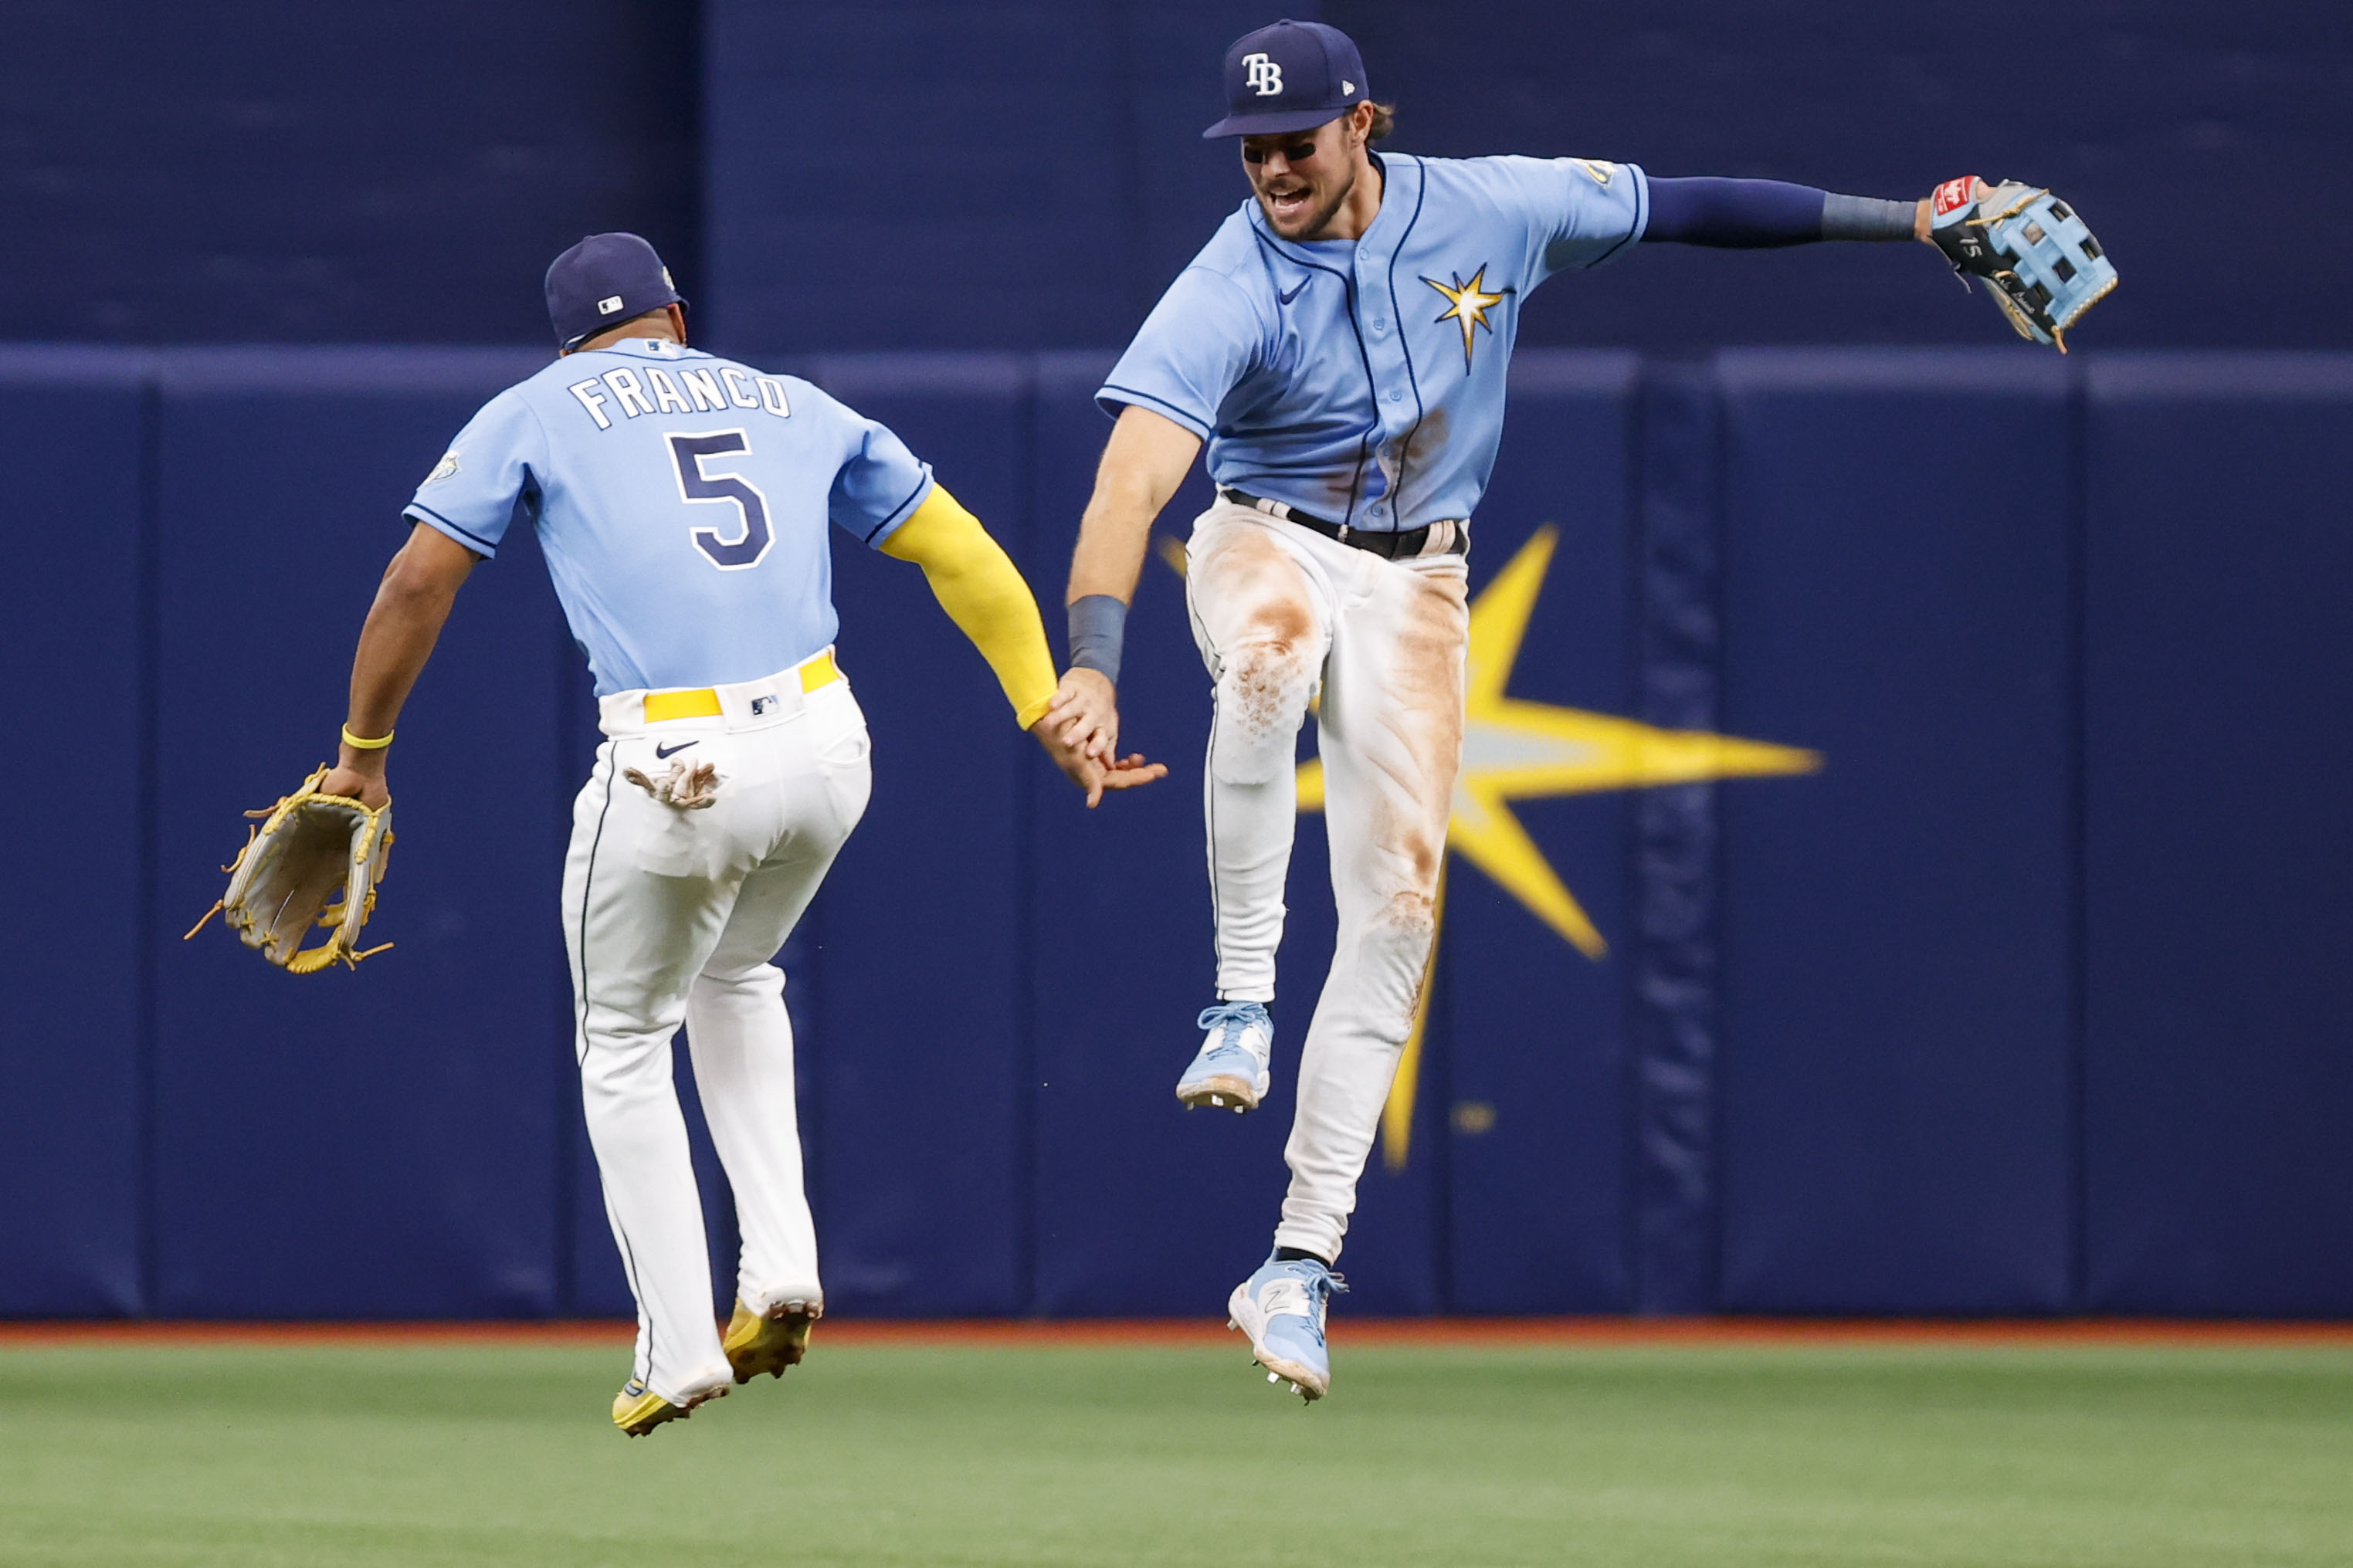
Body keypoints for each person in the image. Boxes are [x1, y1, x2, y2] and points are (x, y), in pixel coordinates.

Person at [1046, 19, 1991, 1400]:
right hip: (1269, 536)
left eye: (1294, 140)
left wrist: (1909, 222)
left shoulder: (1494, 204)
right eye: (1249, 147)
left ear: (1363, 123)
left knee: (1403, 913)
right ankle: (1239, 999)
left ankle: (1297, 1266)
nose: (1269, 169)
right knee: (1265, 657)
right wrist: (1091, 659)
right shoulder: (1229, 280)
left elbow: (1691, 209)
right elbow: (1128, 487)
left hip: (1424, 581)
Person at [320, 232, 1161, 1436]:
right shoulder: (788, 400)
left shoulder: (537, 408)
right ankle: (781, 1266)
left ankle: (674, 1347)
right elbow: (956, 546)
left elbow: (417, 580)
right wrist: (1040, 699)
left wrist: (363, 753)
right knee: (737, 973)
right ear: (676, 312)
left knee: (622, 1039)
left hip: (680, 762)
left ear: (571, 341)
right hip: (827, 747)